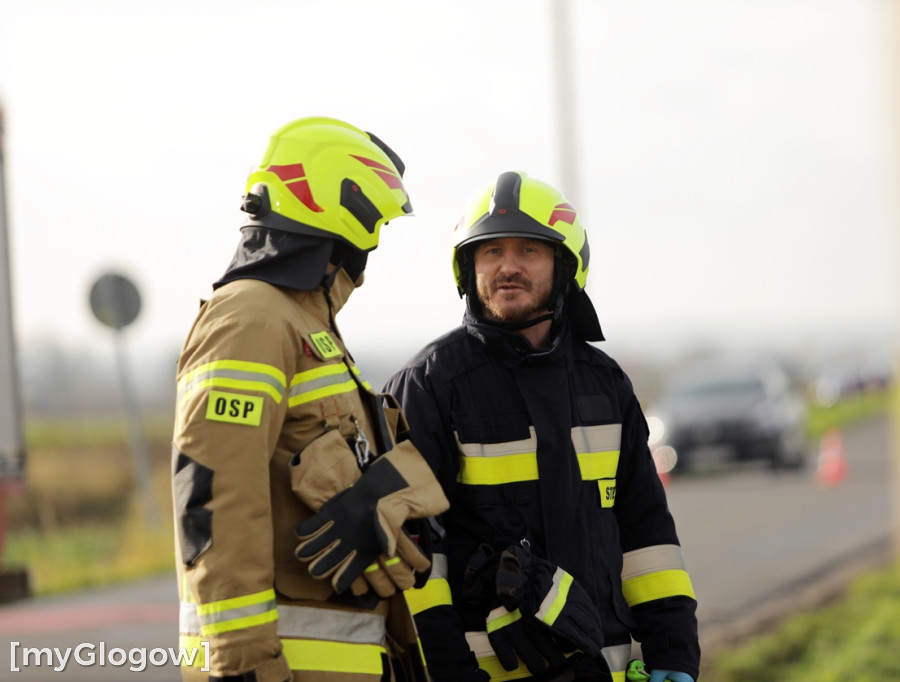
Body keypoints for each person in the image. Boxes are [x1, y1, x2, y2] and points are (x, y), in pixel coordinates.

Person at [384, 170, 700, 681]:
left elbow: (647, 534)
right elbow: (414, 552)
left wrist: (675, 653)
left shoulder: (605, 384)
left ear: (564, 265)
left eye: (528, 250)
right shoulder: (430, 385)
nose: (507, 266)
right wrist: (446, 670)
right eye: (491, 251)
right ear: (468, 267)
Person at [171, 116, 449, 682]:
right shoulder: (252, 317)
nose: (372, 247)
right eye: (373, 225)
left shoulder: (302, 322)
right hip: (279, 665)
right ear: (340, 216)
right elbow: (217, 493)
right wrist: (242, 663)